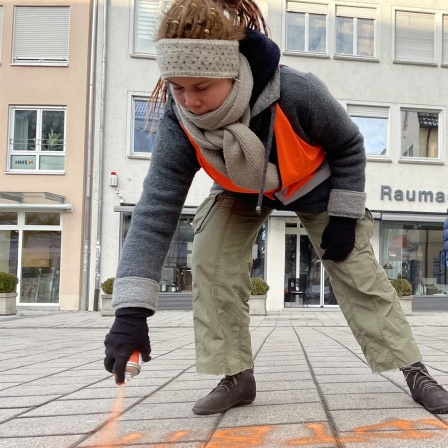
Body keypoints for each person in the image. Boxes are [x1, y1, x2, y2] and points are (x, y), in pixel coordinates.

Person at [104, 0, 448, 415]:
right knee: (210, 258)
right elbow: (156, 209)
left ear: (231, 73)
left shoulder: (296, 92)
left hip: (314, 183)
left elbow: (349, 146)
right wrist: (130, 311)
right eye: (177, 87)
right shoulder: (180, 122)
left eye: (201, 87)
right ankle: (236, 377)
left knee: (357, 269)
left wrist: (343, 215)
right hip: (240, 187)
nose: (189, 101)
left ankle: (415, 371)